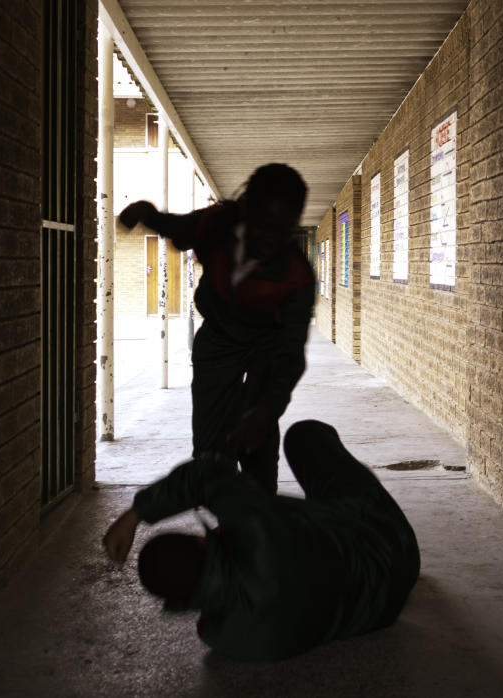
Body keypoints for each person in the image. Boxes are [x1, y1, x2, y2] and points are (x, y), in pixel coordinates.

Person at [102, 420, 421, 661]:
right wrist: (133, 515)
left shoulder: (224, 638)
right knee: (305, 435)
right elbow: (206, 477)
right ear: (201, 543)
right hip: (387, 541)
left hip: (381, 613)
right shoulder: (256, 527)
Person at [119, 164, 315, 494]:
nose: (270, 241)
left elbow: (291, 353)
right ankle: (216, 497)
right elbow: (176, 227)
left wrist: (265, 411)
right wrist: (145, 213)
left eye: (282, 231)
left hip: (268, 343)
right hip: (220, 337)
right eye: (263, 226)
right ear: (246, 209)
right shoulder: (216, 224)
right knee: (211, 443)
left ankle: (258, 506)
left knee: (258, 436)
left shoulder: (296, 275)